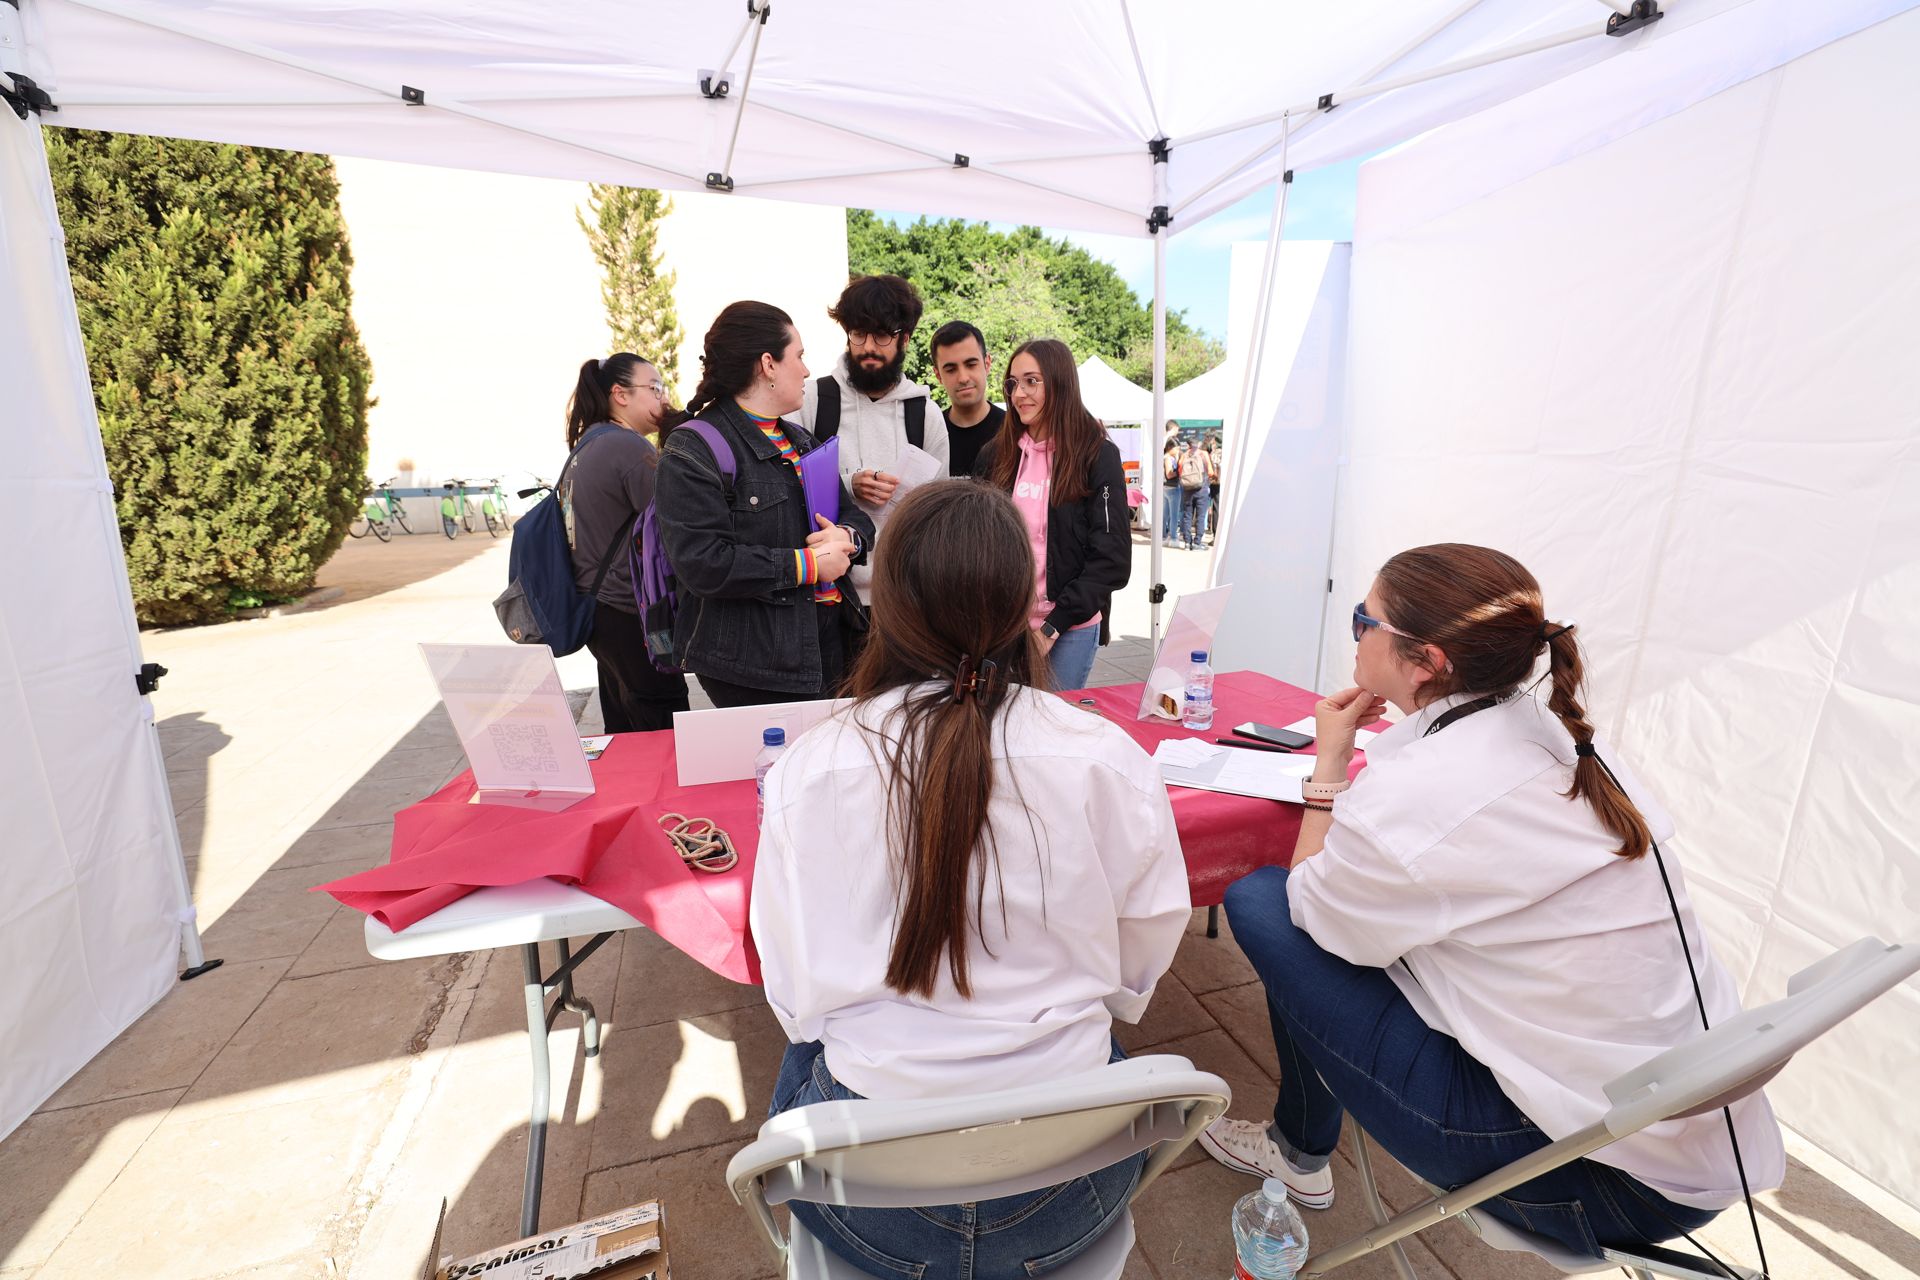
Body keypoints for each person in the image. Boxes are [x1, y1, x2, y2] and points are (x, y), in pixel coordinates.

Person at [1200, 543, 1785, 1260]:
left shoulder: (1423, 794)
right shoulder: (1561, 736)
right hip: (1687, 1141)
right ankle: (1299, 1143)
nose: (1354, 634)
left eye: (1364, 620)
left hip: (1588, 1176)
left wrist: (1330, 762)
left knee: (1262, 901)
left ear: (1427, 662)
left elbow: (1309, 909)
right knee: (1358, 929)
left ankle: (1298, 1151)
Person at [752, 479, 1190, 1279]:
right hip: (1071, 1187)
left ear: (884, 604)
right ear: (1028, 603)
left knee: (805, 1053)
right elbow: (1139, 964)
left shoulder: (808, 770)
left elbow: (794, 999)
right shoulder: (1105, 758)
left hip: (873, 1200)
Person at [654, 302, 876, 707]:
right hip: (758, 664)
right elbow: (702, 562)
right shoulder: (694, 447)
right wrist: (810, 565)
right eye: (800, 356)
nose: (807, 371)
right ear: (768, 365)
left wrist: (847, 538)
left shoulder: (800, 440)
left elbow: (856, 518)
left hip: (833, 643)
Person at [974, 339, 1131, 692]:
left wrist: (1053, 626)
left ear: (1060, 383)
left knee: (1053, 732)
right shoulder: (994, 456)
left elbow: (1112, 559)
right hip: (1004, 627)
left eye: (1032, 381)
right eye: (1013, 383)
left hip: (1070, 628)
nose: (1018, 394)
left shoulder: (1096, 455)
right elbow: (978, 545)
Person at [559, 353, 690, 733]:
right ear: (620, 394)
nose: (663, 399)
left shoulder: (588, 445)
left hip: (600, 610)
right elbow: (676, 522)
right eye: (655, 388)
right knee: (664, 722)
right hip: (629, 612)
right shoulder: (629, 449)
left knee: (624, 721)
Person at [800, 274, 952, 600]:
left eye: (882, 335)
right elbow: (785, 483)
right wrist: (848, 485)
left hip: (903, 596)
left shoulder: (925, 414)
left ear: (905, 339)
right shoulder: (813, 399)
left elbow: (940, 513)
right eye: (858, 334)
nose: (868, 347)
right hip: (827, 594)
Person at [928, 319, 1004, 478]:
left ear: (987, 364)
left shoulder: (1014, 431)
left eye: (971, 365)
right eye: (951, 369)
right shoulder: (930, 434)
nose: (963, 378)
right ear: (938, 375)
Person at [1176, 436, 1212, 549]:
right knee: (1200, 516)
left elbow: (1179, 471)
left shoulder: (1184, 455)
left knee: (1187, 516)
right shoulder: (1203, 454)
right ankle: (1197, 543)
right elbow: (1210, 472)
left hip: (1187, 490)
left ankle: (1187, 542)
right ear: (1199, 444)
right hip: (1201, 489)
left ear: (1188, 445)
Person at [1160, 424, 1184, 547]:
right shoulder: (1168, 458)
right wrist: (1179, 472)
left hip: (1166, 488)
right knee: (1173, 515)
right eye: (1177, 448)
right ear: (1171, 447)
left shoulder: (1166, 457)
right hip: (1172, 488)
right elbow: (1169, 474)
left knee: (1165, 515)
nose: (1178, 450)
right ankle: (1173, 538)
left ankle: (1164, 536)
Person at [1205, 433, 1223, 542]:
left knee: (1216, 508)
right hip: (1223, 483)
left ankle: (1216, 536)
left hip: (1216, 483)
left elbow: (1216, 467)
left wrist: (1215, 478)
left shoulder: (1215, 453)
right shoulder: (1227, 451)